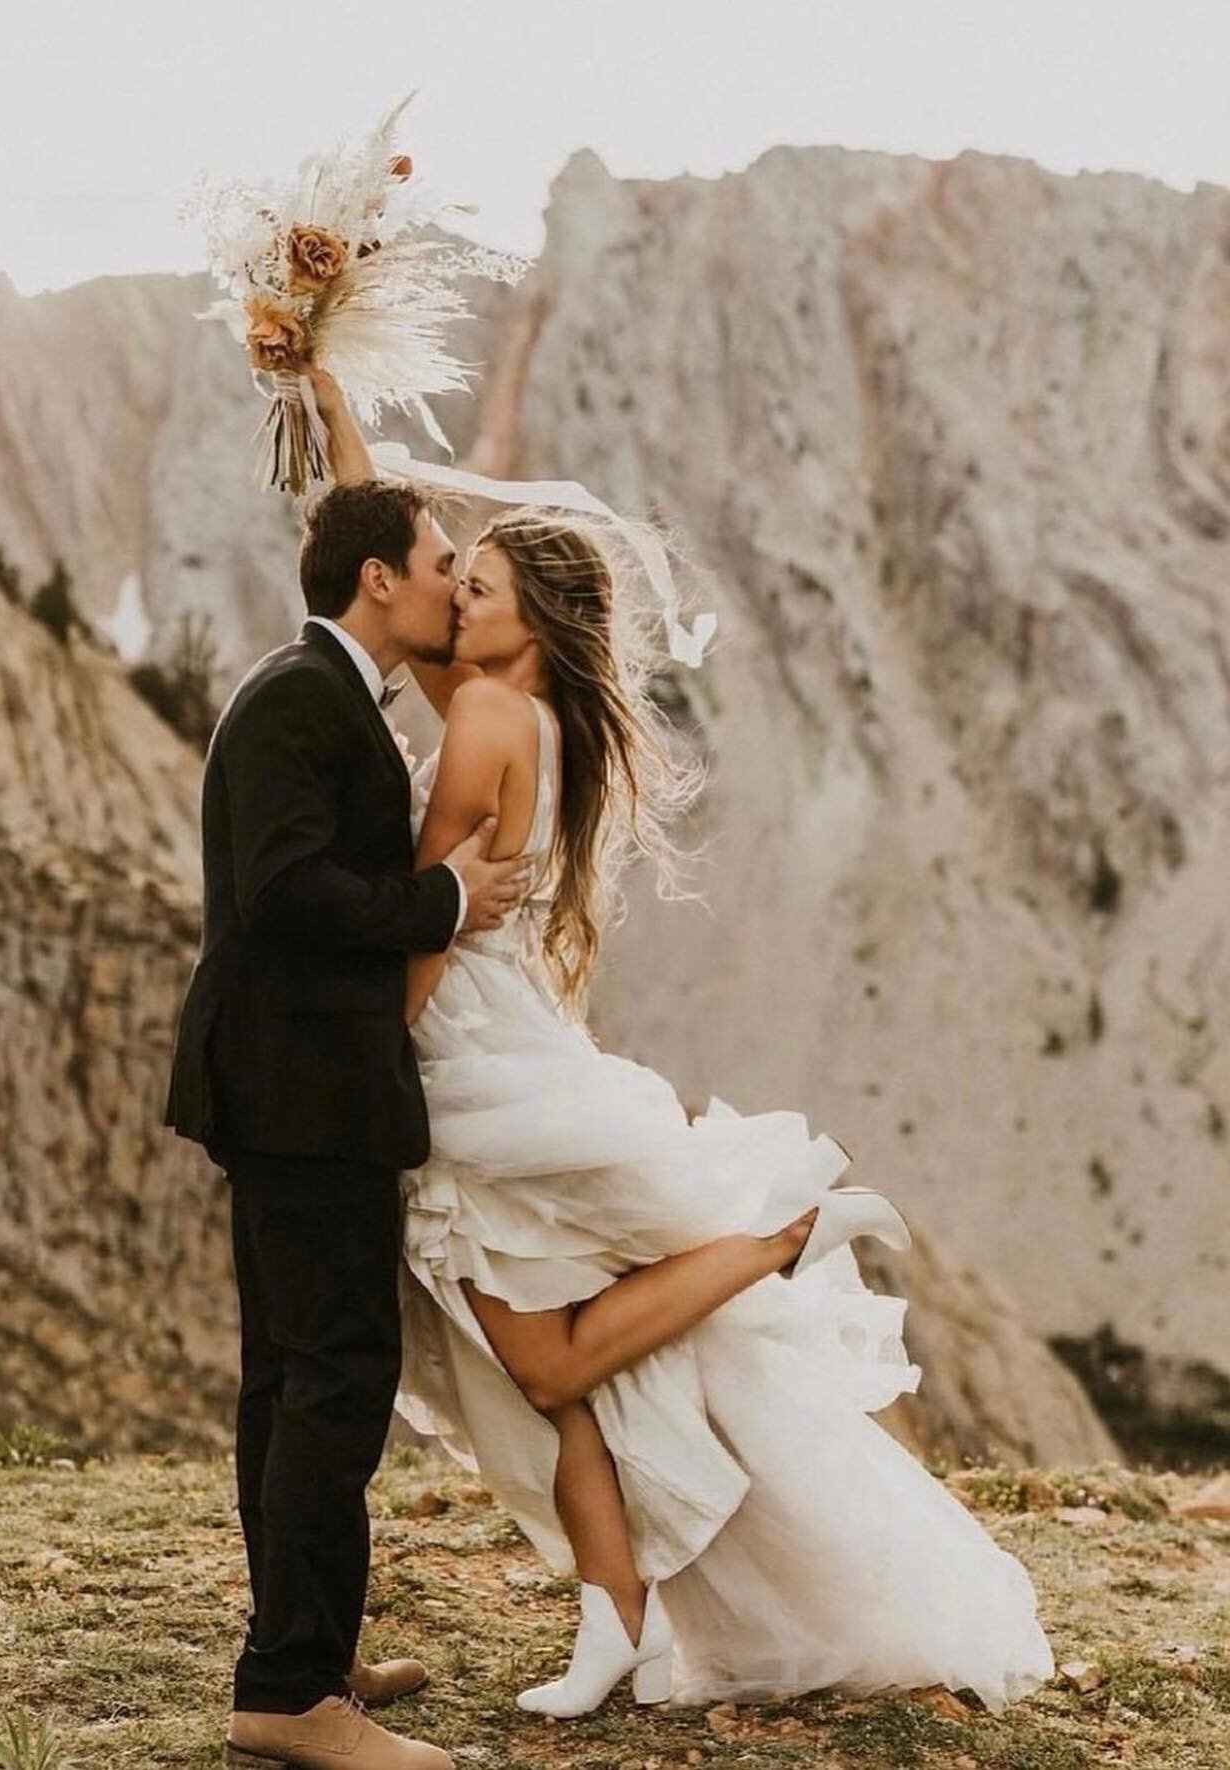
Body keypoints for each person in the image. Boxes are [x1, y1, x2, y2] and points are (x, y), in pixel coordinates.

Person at [308, 366, 1057, 1722]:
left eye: (473, 585)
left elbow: (424, 929)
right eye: (450, 578)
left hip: (472, 1064)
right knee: (566, 1383)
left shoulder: (480, 714)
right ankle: (619, 1622)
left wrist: (373, 1062)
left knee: (543, 1365)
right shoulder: (511, 702)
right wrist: (324, 394)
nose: (447, 593)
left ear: (526, 617)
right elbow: (382, 550)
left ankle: (775, 1237)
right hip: (510, 1042)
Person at [164, 473, 541, 1770]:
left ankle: (308, 1651)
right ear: (379, 576)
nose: (451, 580)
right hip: (300, 1090)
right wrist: (440, 899)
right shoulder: (293, 698)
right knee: (332, 1374)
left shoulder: (322, 692)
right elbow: (281, 891)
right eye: (440, 561)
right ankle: (289, 1689)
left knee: (292, 1373)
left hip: (295, 1085)